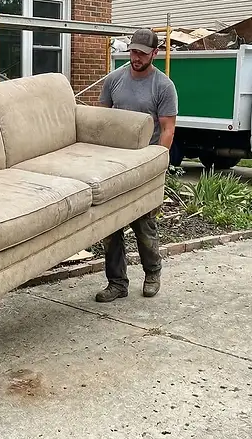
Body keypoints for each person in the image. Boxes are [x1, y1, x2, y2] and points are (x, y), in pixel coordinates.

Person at [95, 28, 178, 303]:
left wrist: (156, 164)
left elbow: (167, 129)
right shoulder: (114, 80)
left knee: (144, 224)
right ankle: (117, 283)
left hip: (144, 165)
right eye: (133, 51)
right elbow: (102, 121)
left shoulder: (163, 86)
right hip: (114, 164)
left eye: (142, 53)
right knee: (110, 226)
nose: (136, 57)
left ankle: (152, 272)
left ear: (155, 53)